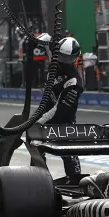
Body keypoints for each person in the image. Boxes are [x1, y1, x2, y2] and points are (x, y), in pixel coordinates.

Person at [37, 37, 84, 181]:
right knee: (36, 147)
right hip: (45, 112)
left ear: (75, 58)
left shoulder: (74, 82)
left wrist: (38, 121)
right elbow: (46, 39)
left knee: (68, 153)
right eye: (61, 56)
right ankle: (39, 179)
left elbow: (59, 109)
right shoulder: (55, 58)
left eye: (68, 58)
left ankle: (75, 181)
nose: (63, 61)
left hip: (64, 120)